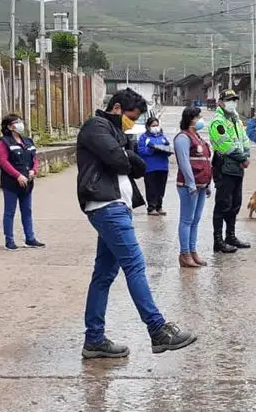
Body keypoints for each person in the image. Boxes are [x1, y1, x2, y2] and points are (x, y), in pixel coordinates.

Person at [76, 88, 195, 358]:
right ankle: (158, 330)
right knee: (135, 265)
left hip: (118, 206)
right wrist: (125, 155)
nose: (134, 122)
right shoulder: (95, 127)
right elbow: (120, 161)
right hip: (106, 206)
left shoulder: (117, 133)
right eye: (132, 116)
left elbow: (139, 166)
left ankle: (94, 340)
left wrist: (125, 155)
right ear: (117, 108)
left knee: (104, 275)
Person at [209, 89, 252, 253]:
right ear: (220, 102)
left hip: (237, 169)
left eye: (234, 100)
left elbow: (245, 140)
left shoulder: (236, 120)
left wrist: (246, 156)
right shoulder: (218, 122)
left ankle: (230, 236)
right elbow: (225, 144)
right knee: (222, 204)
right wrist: (243, 158)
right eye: (229, 100)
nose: (232, 102)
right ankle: (218, 241)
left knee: (235, 204)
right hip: (224, 168)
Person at [0, 113, 45, 250]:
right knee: (10, 212)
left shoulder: (28, 141)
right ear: (9, 126)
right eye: (16, 122)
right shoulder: (4, 142)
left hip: (27, 182)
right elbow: (3, 162)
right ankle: (9, 240)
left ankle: (30, 238)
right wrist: (17, 175)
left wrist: (34, 171)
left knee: (27, 211)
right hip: (11, 183)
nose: (20, 124)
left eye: (20, 121)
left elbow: (34, 158)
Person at [174, 107, 213, 268]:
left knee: (195, 220)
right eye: (198, 117)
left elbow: (205, 161)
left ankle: (192, 250)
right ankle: (184, 254)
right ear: (191, 119)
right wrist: (191, 183)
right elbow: (184, 163)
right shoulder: (183, 138)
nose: (201, 120)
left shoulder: (198, 137)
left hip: (202, 184)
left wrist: (208, 184)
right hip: (189, 186)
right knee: (186, 220)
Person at [137, 116, 171, 216]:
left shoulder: (163, 137)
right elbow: (141, 150)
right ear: (148, 126)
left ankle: (159, 206)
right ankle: (151, 207)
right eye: (153, 125)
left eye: (157, 125)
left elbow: (168, 148)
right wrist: (152, 150)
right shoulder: (144, 137)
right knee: (151, 187)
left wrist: (166, 150)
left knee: (161, 188)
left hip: (163, 167)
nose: (155, 127)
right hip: (150, 167)